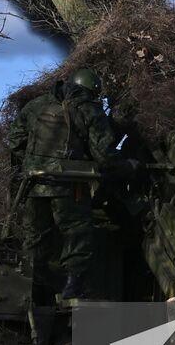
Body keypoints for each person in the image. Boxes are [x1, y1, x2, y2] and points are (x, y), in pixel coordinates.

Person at [7, 67, 121, 302]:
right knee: (78, 234)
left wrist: (31, 164)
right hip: (70, 187)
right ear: (92, 90)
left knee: (35, 238)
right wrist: (127, 165)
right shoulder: (90, 110)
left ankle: (32, 291)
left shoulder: (35, 106)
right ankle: (72, 288)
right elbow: (105, 156)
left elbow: (15, 141)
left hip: (33, 185)